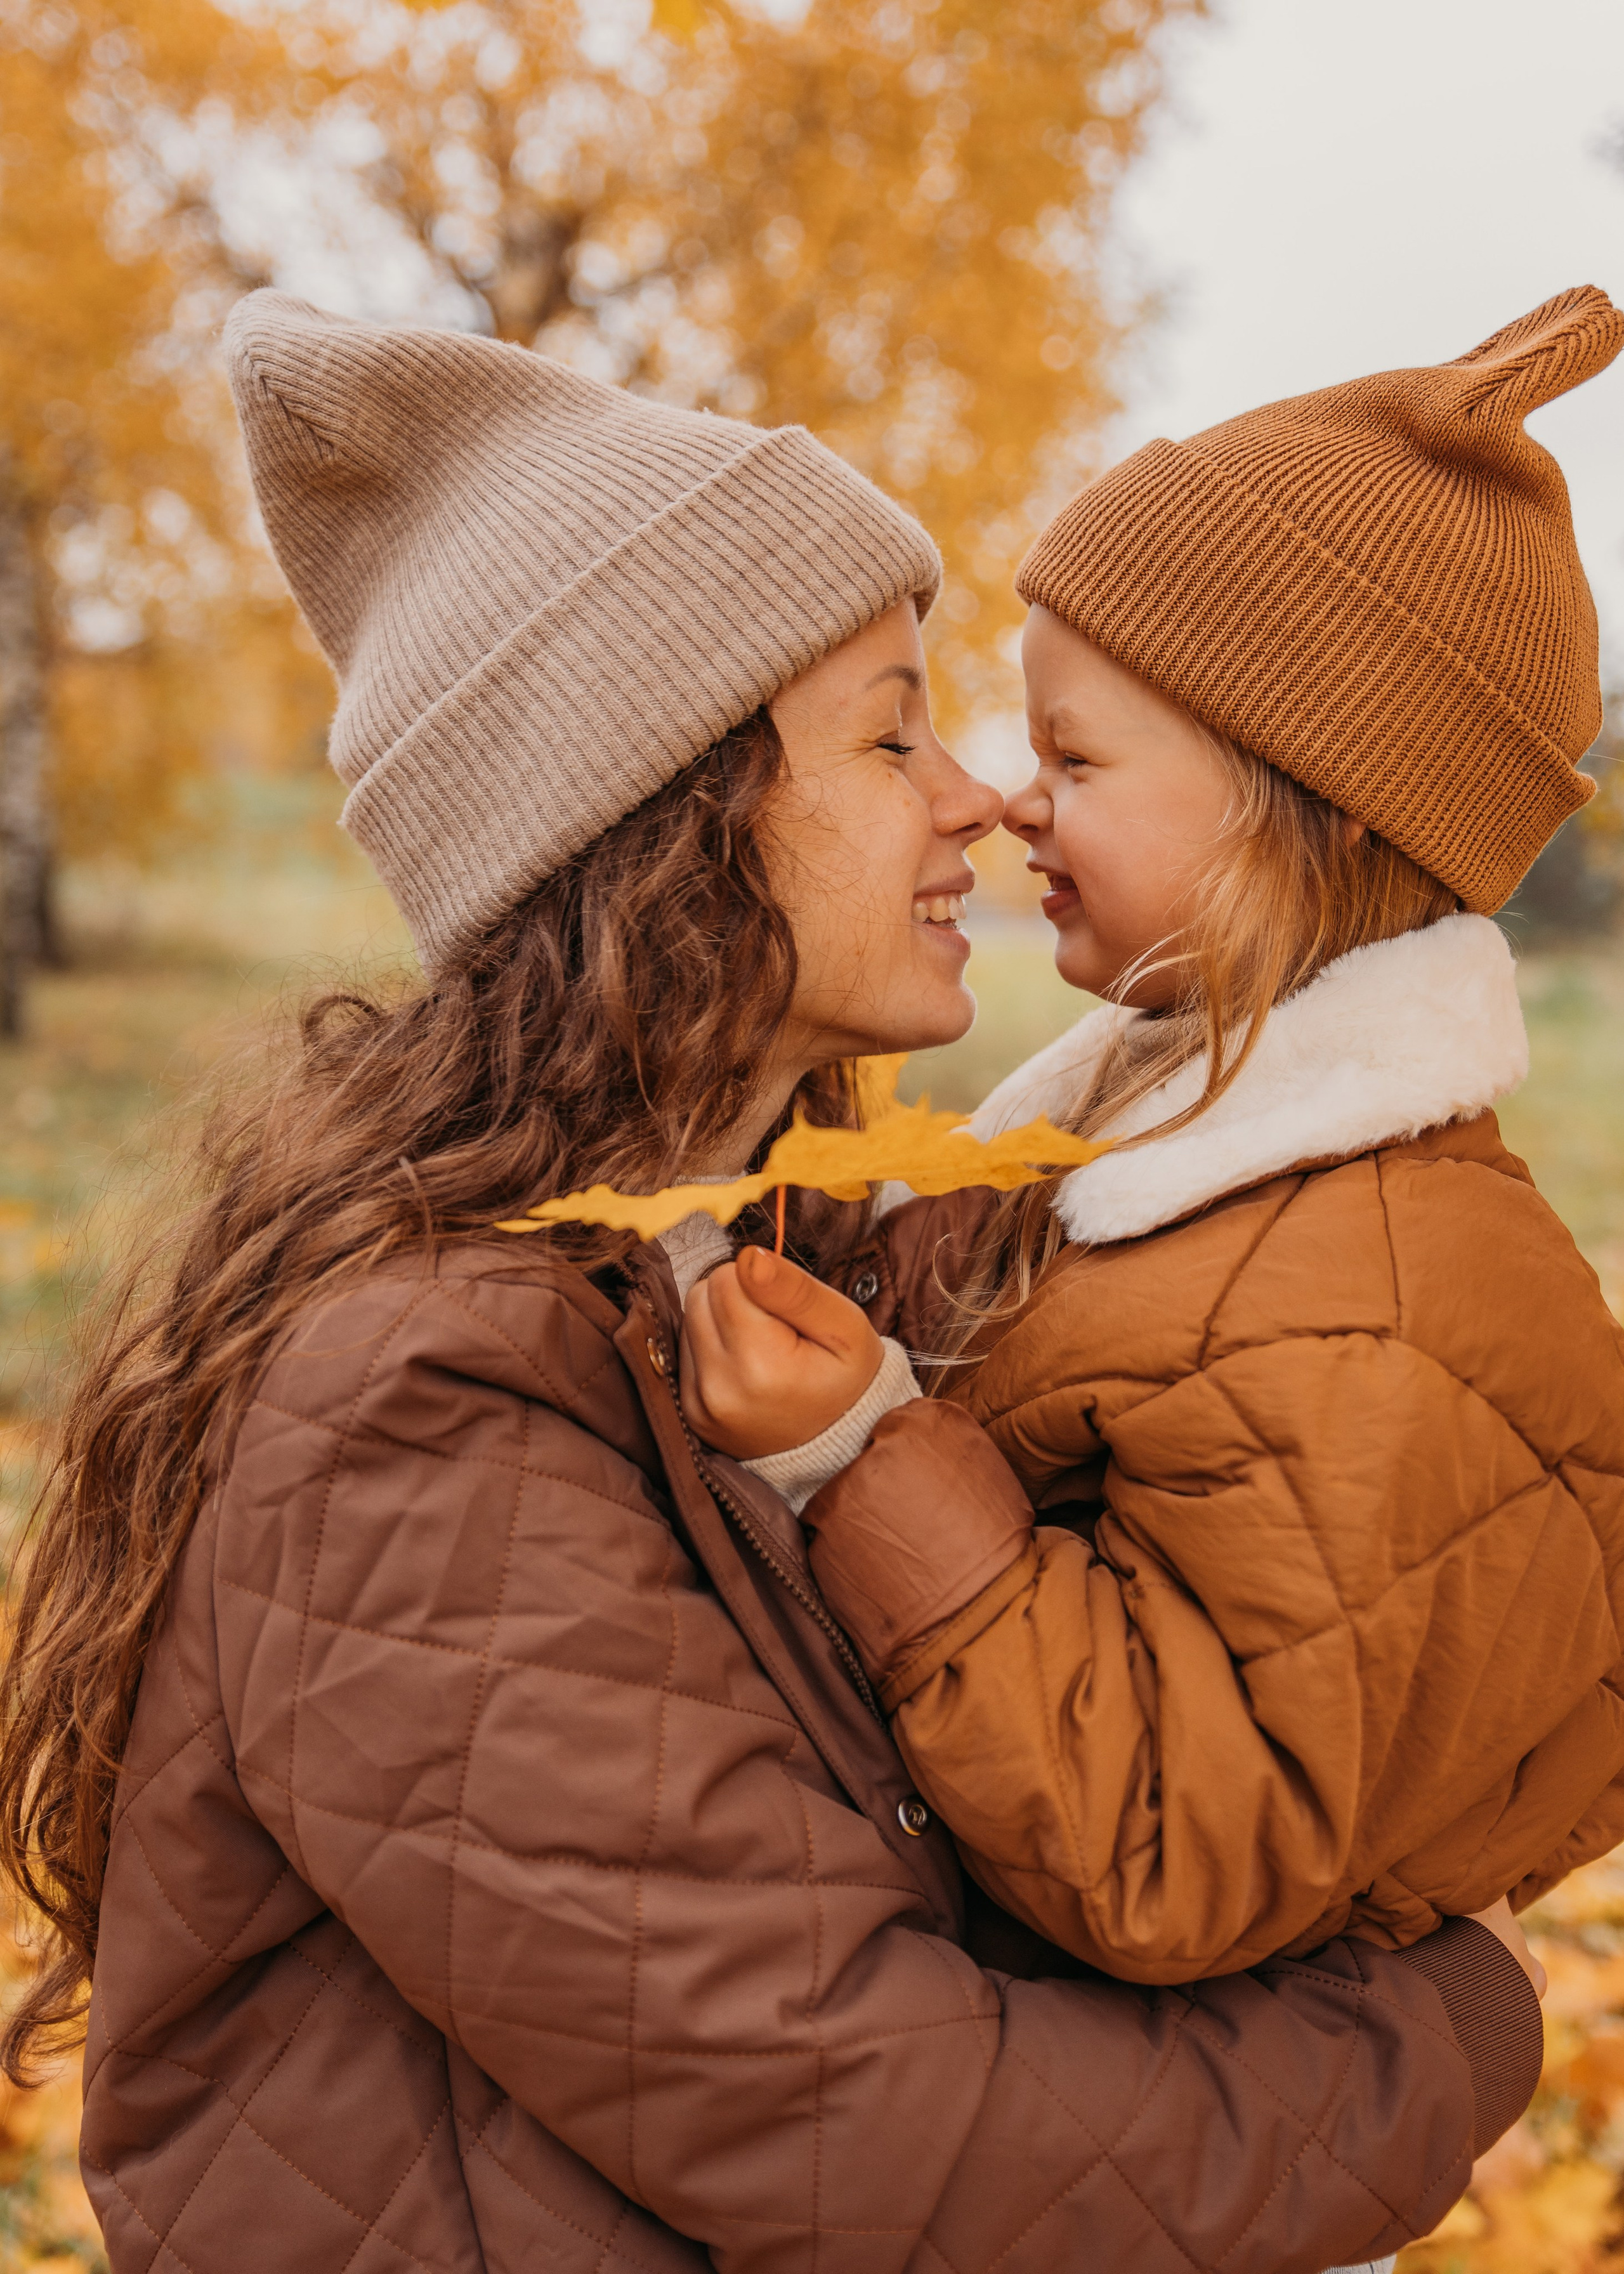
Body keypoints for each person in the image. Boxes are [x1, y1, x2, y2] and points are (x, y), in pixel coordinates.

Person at [0, 293, 1543, 2274]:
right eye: (892, 733)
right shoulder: (418, 1401)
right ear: (674, 822)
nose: (977, 797)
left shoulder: (760, 1266)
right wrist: (1446, 2029)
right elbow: (870, 2125)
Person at [681, 287, 1624, 2023]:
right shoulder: (1166, 1136)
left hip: (1186, 2112)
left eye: (1077, 755)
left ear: (1308, 806)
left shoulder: (1374, 1301)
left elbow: (1175, 1842)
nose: (1012, 799)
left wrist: (861, 1458)